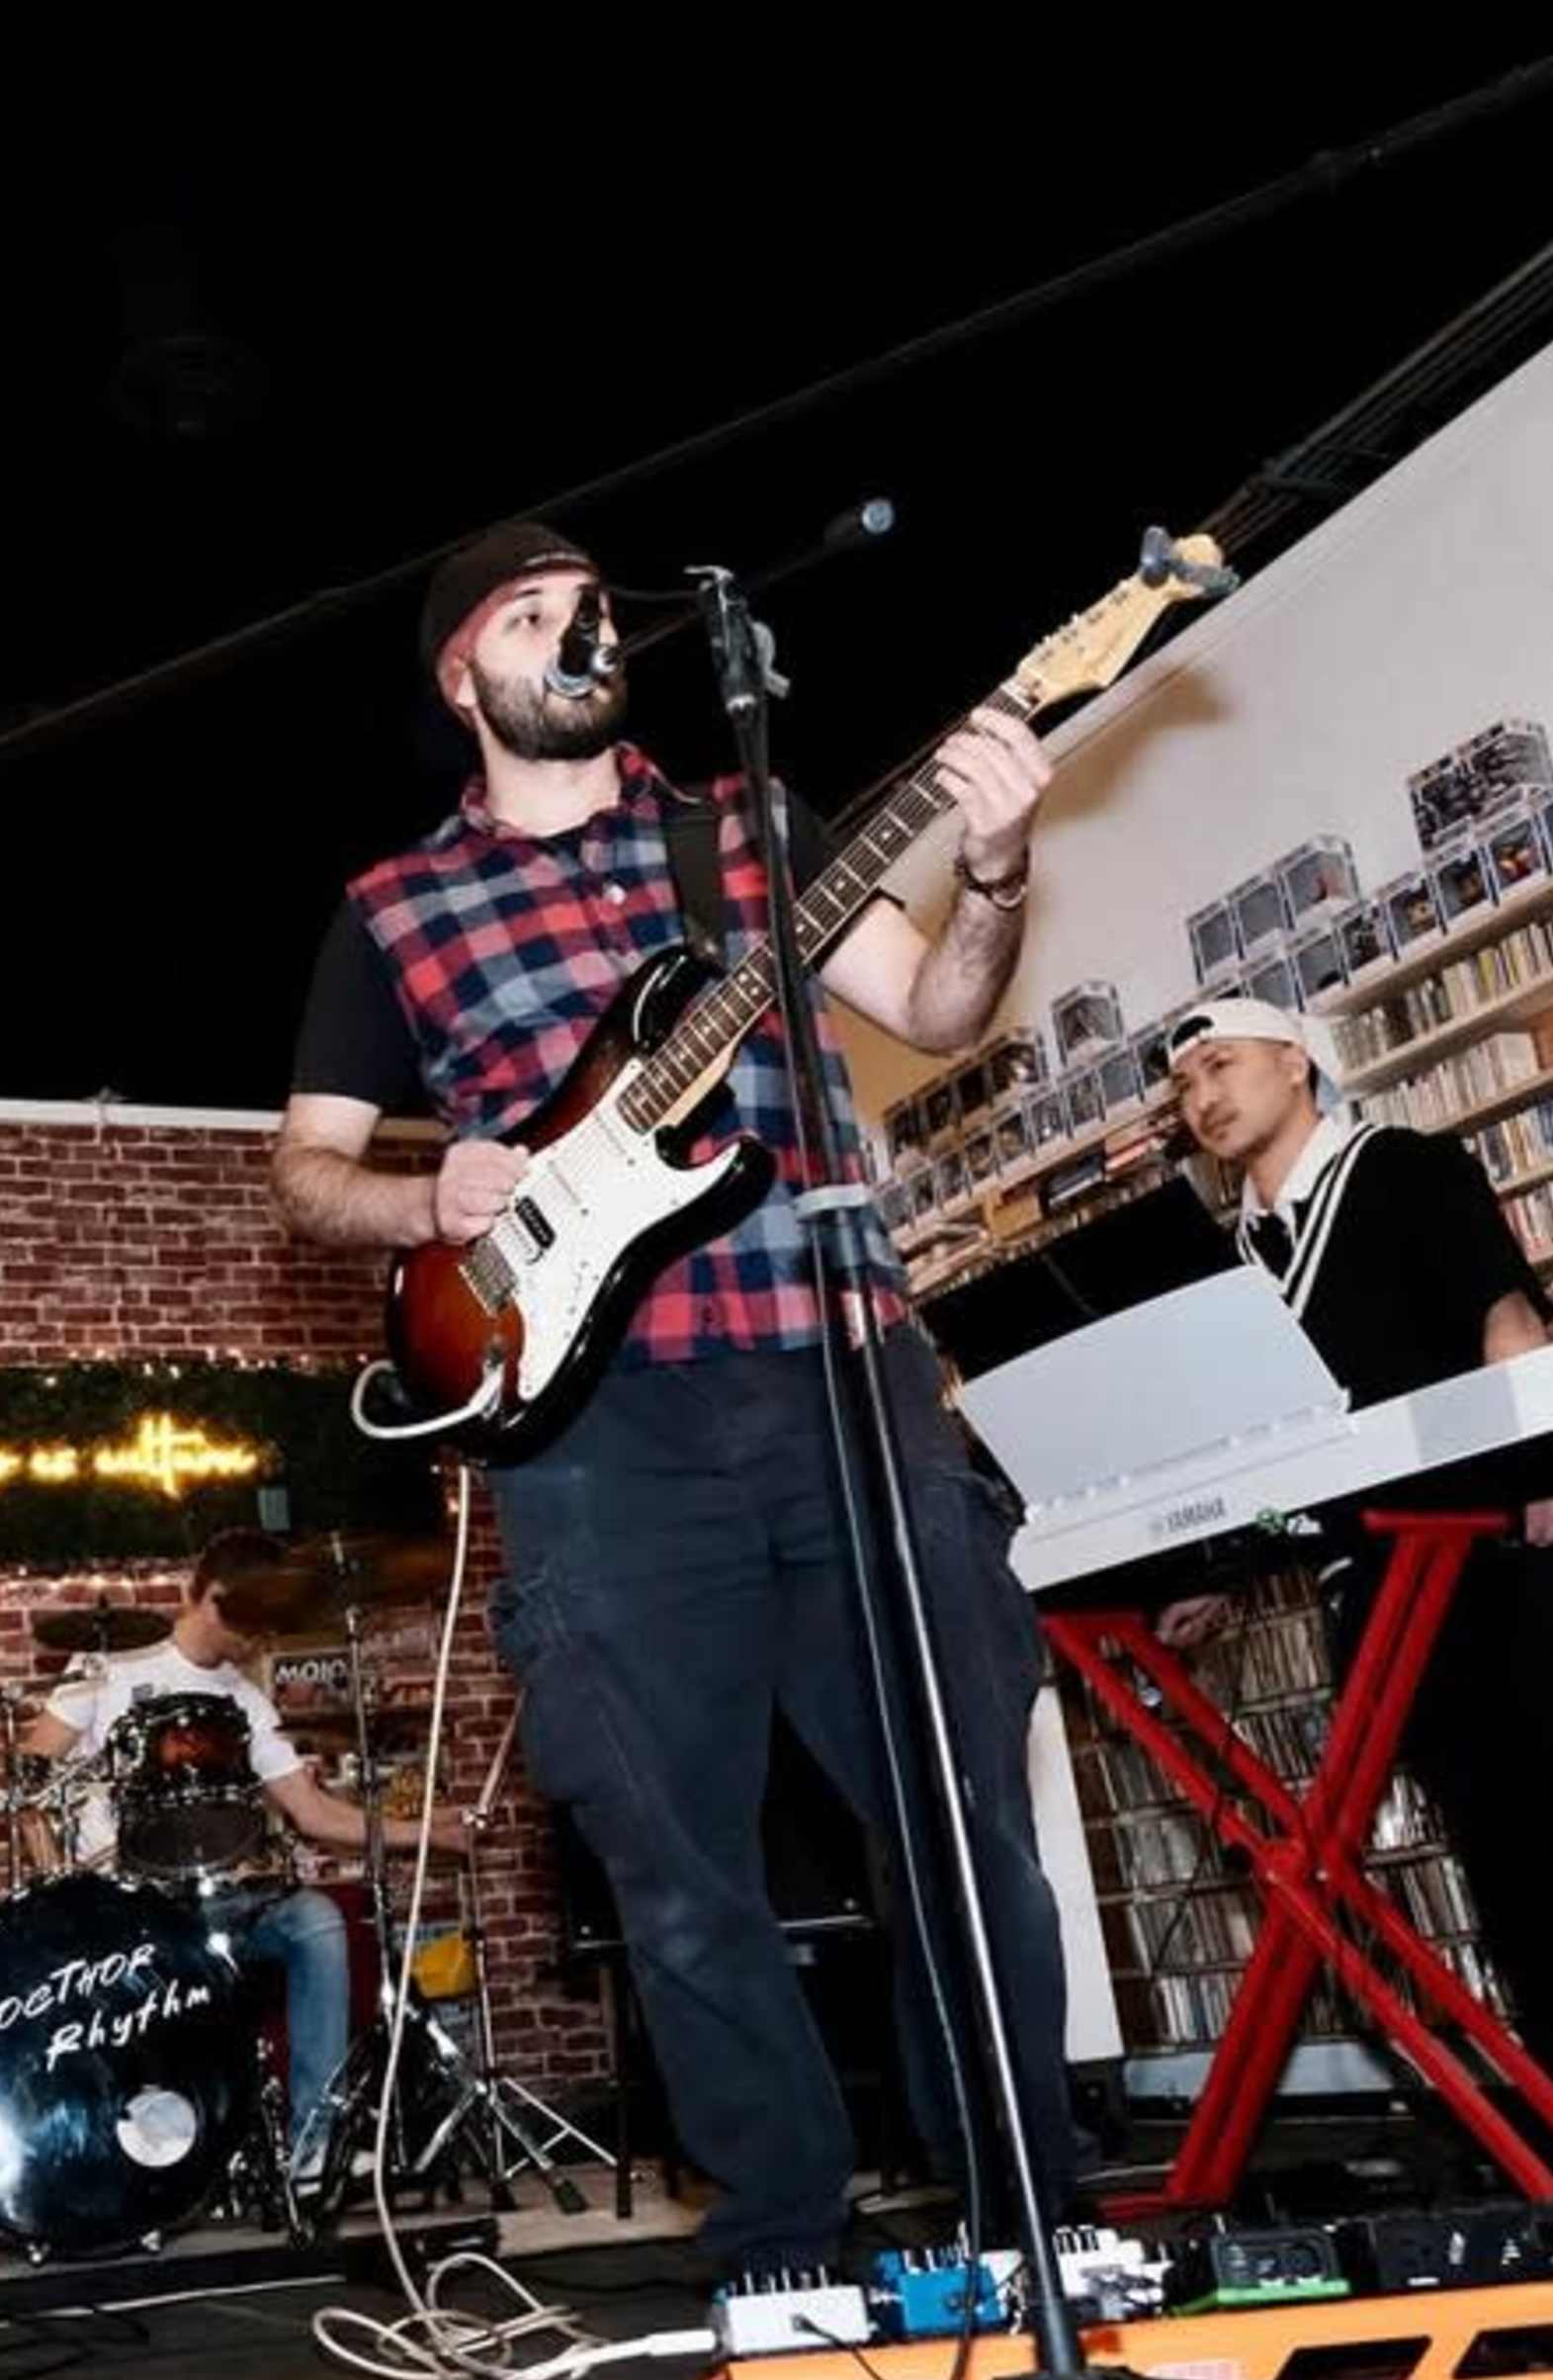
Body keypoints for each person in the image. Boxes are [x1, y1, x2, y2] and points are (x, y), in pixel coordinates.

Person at [272, 520, 1077, 2275]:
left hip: (837, 1375)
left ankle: (1027, 2224)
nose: (580, 633)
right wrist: (431, 1200)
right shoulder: (393, 912)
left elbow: (939, 1010)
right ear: (462, 674)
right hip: (598, 1433)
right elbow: (312, 1174)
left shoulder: (744, 836)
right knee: (678, 1868)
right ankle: (782, 2243)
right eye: (531, 614)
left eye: (590, 608)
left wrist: (998, 866)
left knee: (955, 1816)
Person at [1158, 994, 1553, 2167]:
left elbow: (1505, 1315)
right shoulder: (1239, 1260)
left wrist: (1548, 1467)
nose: (1202, 1097)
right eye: (1182, 1088)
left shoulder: (1406, 1167)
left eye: (1220, 1065)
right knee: (1495, 1843)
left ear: (1297, 1060)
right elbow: (1289, 1455)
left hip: (1502, 1538)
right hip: (1369, 1578)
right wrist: (1235, 1559)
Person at [13, 1529, 468, 2177]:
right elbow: (30, 1778)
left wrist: (423, 1831)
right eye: (255, 1613)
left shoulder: (245, 1699)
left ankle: (312, 2142)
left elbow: (311, 1812)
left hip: (221, 1901)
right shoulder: (108, 1662)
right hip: (126, 1908)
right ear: (216, 1599)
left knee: (316, 1921)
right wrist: (60, 1886)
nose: (262, 1633)